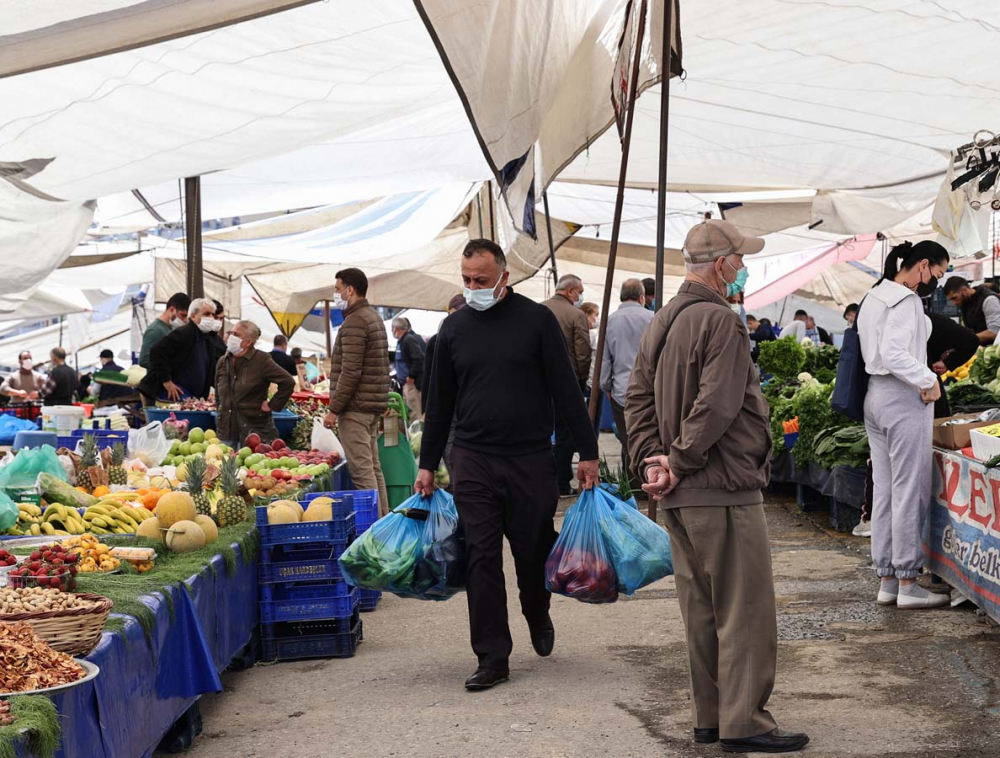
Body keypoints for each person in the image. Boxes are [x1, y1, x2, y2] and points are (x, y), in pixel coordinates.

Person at [626, 217, 808, 754]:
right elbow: (718, 404)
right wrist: (678, 460)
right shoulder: (723, 321)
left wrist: (650, 462)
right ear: (724, 264)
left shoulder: (662, 319)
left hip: (678, 493)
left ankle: (712, 717)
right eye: (741, 260)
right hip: (720, 487)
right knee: (743, 609)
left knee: (701, 610)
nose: (744, 269)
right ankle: (745, 721)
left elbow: (635, 397)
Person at [416, 239, 599, 692]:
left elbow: (565, 390)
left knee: (532, 551)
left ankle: (537, 611)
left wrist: (589, 453)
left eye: (481, 279)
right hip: (473, 459)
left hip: (529, 458)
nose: (473, 287)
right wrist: (426, 465)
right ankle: (492, 657)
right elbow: (439, 406)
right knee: (480, 555)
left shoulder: (537, 321)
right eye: (466, 280)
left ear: (505, 277)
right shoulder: (453, 330)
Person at [858, 240, 951, 610]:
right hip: (901, 398)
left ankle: (888, 580)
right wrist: (927, 379)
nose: (937, 283)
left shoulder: (875, 294)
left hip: (875, 398)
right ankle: (909, 581)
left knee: (885, 490)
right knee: (909, 489)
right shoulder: (905, 300)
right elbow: (895, 353)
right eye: (938, 274)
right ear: (923, 265)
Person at [323, 269, 391, 516]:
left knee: (363, 474)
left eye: (338, 288)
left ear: (350, 289)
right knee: (373, 469)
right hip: (370, 407)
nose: (336, 293)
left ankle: (374, 533)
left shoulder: (355, 322)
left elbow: (350, 372)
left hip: (356, 409)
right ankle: (384, 523)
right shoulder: (372, 317)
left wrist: (333, 410)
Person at [543, 274, 593, 496]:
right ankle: (562, 482)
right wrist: (580, 382)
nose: (580, 297)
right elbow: (582, 353)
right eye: (580, 292)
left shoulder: (538, 310)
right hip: (566, 384)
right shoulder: (576, 315)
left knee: (541, 433)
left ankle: (543, 479)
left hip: (538, 385)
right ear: (571, 291)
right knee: (565, 436)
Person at [600, 279, 653, 481]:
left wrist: (606, 386)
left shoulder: (610, 321)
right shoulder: (653, 318)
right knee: (648, 438)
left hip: (621, 391)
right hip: (650, 390)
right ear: (641, 296)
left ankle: (631, 482)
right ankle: (649, 480)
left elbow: (605, 360)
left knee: (627, 440)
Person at [215, 320, 295, 447]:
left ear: (248, 342)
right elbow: (218, 393)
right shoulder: (223, 361)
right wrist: (221, 411)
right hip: (227, 431)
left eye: (236, 334)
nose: (231, 337)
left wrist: (272, 404)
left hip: (254, 431)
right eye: (231, 332)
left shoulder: (261, 360)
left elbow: (288, 382)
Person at [138, 298, 218, 402]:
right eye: (207, 314)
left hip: (193, 396)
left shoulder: (206, 338)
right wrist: (167, 381)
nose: (211, 318)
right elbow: (157, 352)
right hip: (177, 394)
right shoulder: (185, 333)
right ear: (193, 316)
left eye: (213, 314)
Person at [421, 294, 465, 479]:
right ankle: (456, 483)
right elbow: (430, 378)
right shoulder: (438, 340)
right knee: (450, 444)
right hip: (448, 404)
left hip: (466, 405)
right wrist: (425, 409)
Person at [927, 312, 979, 418]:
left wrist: (948, 363)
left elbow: (971, 340)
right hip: (927, 386)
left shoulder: (929, 320)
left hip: (929, 388)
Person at [139, 292, 191, 368]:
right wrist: (168, 368)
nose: (185, 320)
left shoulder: (172, 328)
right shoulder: (155, 331)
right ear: (172, 309)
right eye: (183, 315)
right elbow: (144, 360)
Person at [943, 276, 1000, 344]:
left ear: (964, 290)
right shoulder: (967, 302)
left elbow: (994, 332)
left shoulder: (989, 300)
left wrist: (967, 338)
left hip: (992, 350)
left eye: (954, 298)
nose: (954, 303)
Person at [392, 317, 426, 422]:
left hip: (412, 385)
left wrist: (411, 376)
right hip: (406, 385)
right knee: (409, 413)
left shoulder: (408, 340)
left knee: (415, 415)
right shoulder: (401, 342)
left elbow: (419, 358)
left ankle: (417, 437)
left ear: (396, 328)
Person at [579, 301, 600, 393]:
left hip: (593, 381)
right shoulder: (589, 334)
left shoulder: (592, 333)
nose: (597, 319)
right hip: (589, 381)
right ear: (586, 315)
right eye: (596, 315)